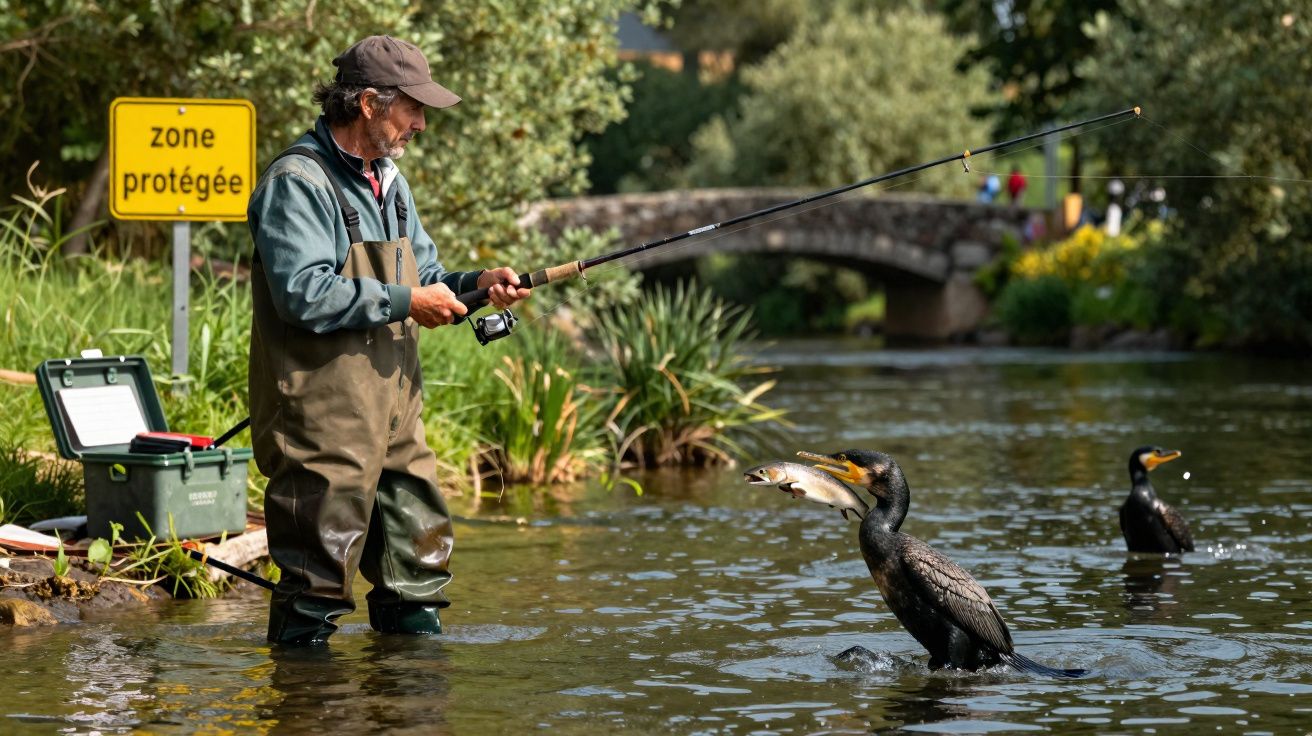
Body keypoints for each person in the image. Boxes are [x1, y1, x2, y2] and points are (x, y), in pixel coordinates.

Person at [247, 35, 531, 645]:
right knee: (315, 582)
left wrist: (477, 286)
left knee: (418, 567)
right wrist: (410, 301)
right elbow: (302, 292)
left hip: (397, 415)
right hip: (319, 423)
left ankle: (412, 701)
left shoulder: (389, 182)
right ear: (370, 103)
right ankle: (304, 703)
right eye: (413, 108)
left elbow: (424, 279)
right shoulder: (297, 182)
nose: (423, 123)